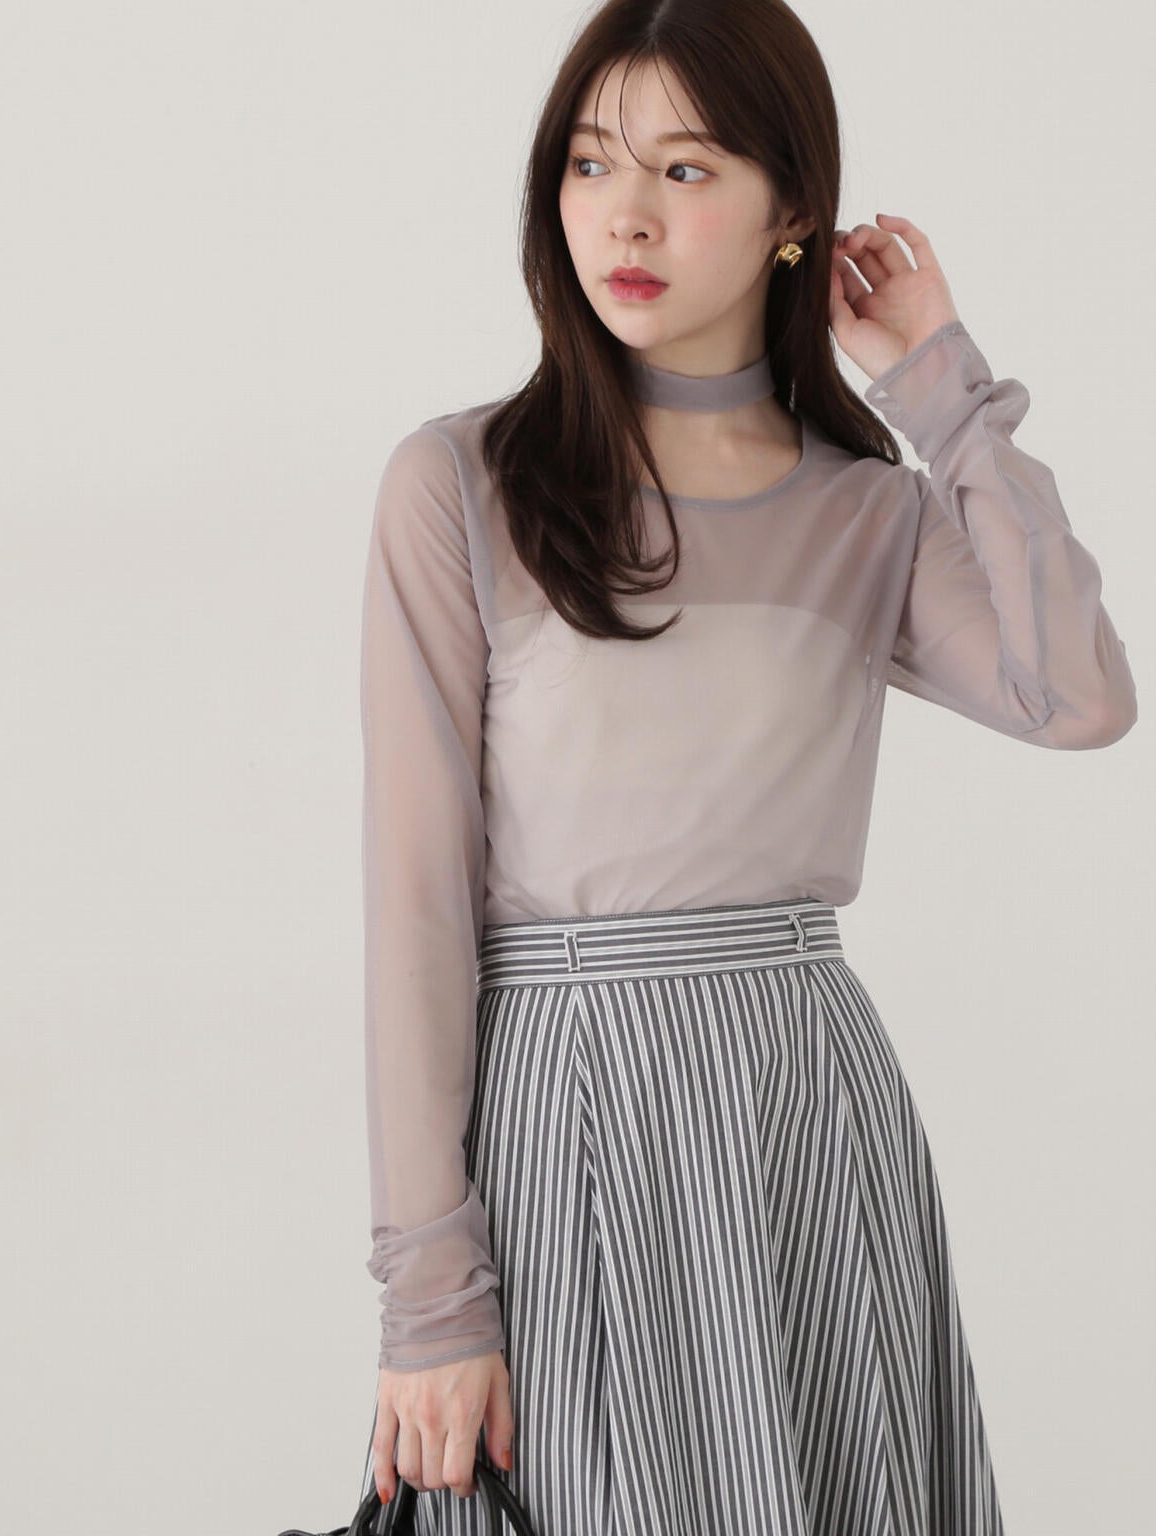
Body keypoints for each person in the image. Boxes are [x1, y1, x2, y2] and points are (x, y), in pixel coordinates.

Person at [353, 3, 1137, 1533]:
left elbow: (1081, 698)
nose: (626, 215)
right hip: (570, 1113)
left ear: (795, 213)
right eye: (591, 163)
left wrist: (944, 391)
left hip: (806, 1111)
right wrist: (429, 1295)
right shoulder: (463, 485)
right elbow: (415, 908)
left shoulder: (869, 514)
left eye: (688, 168)